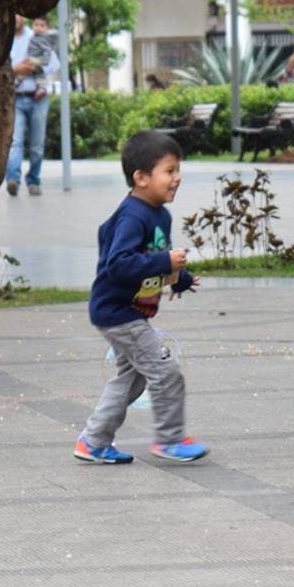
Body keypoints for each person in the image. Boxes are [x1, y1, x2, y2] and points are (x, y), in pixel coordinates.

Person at [75, 130, 205, 465]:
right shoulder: (134, 215)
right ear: (141, 178)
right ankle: (170, 439)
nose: (177, 178)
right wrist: (165, 262)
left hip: (126, 311)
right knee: (166, 372)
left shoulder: (159, 214)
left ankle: (94, 441)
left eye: (178, 170)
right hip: (119, 312)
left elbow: (156, 256)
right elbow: (118, 265)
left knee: (130, 381)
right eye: (169, 170)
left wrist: (179, 279)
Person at [5, 14, 61, 197]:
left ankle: (34, 180)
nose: (16, 17)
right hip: (15, 97)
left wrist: (35, 68)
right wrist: (16, 69)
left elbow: (54, 64)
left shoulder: (36, 36)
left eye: (20, 13)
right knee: (15, 141)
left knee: (36, 145)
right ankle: (13, 179)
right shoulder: (4, 40)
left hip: (38, 98)